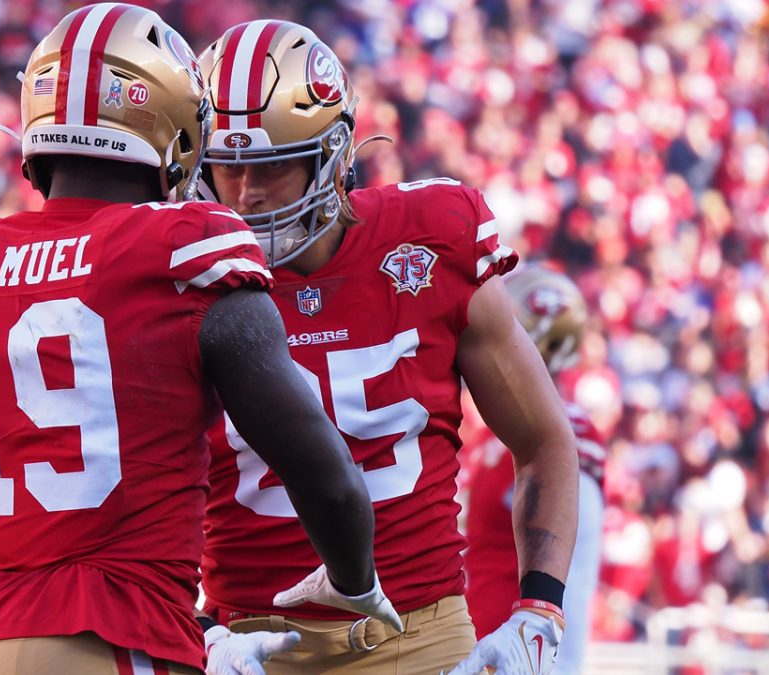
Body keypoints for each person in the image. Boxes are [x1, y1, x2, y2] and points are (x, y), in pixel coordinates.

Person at [0, 5, 400, 675]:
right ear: (177, 131)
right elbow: (328, 482)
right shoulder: (185, 247)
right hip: (122, 638)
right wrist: (356, 582)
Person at [195, 20, 579, 675]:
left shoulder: (430, 240)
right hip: (249, 646)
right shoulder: (185, 272)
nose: (245, 193)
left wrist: (539, 610)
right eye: (225, 167)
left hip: (418, 636)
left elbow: (544, 440)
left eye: (272, 165)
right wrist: (201, 629)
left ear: (333, 153)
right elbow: (126, 501)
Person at [461, 264, 607, 675]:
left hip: (513, 655)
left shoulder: (566, 433)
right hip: (477, 644)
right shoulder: (494, 431)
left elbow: (574, 565)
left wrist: (553, 662)